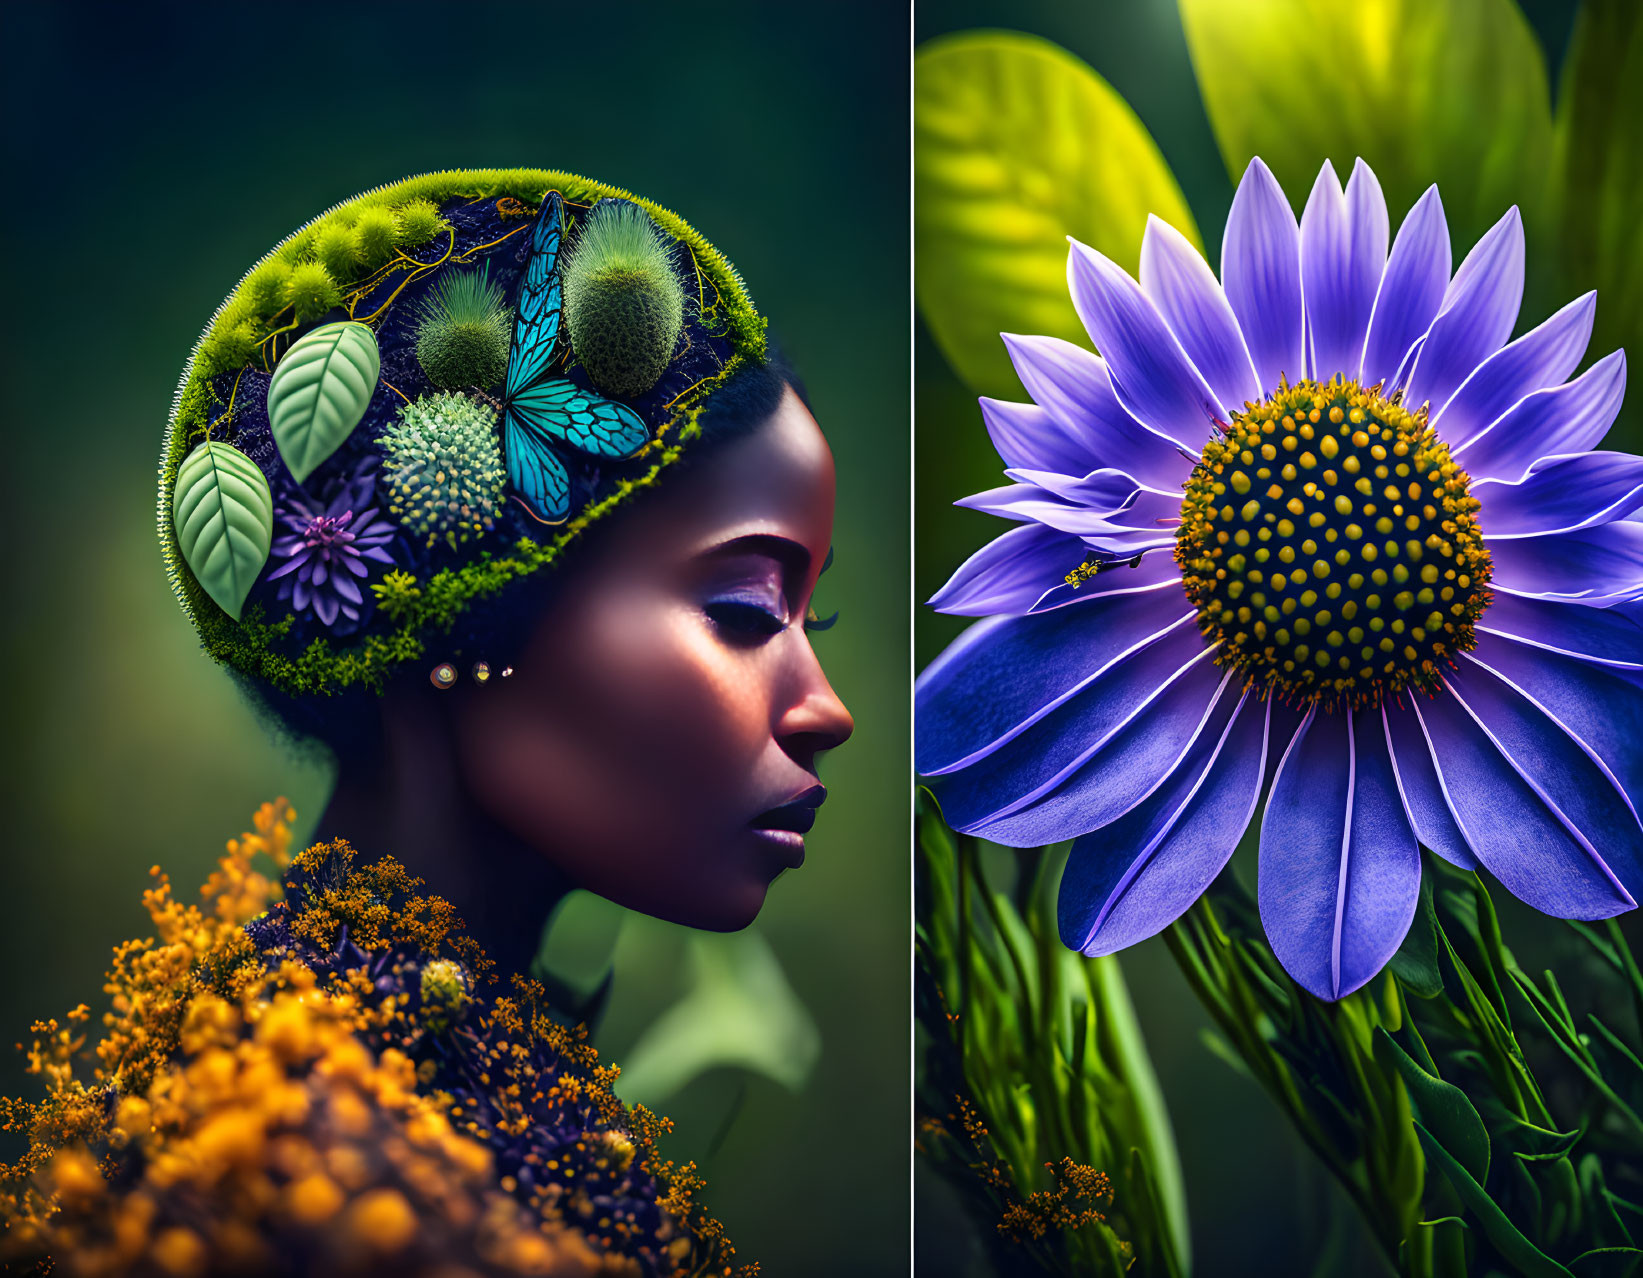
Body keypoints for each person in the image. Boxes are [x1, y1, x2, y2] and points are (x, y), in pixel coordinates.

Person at [0, 167, 851, 1277]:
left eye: (810, 612)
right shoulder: (299, 1174)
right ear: (458, 621)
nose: (823, 708)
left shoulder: (470, 1099)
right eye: (742, 609)